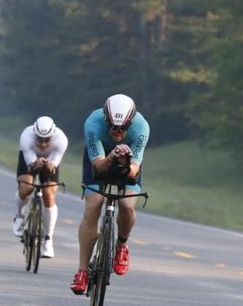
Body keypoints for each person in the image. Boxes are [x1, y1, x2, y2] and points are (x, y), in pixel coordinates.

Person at [70, 93, 149, 294]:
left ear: (131, 122)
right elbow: (99, 166)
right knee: (93, 206)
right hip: (99, 161)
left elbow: (133, 170)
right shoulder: (93, 123)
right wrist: (112, 156)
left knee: (127, 206)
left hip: (128, 162)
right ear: (105, 119)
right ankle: (82, 271)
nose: (117, 132)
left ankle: (121, 245)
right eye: (113, 126)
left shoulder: (141, 127)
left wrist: (125, 161)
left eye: (123, 128)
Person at [13, 116, 68, 258]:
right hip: (30, 157)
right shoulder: (26, 136)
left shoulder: (61, 139)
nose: (43, 144)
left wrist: (51, 164)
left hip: (51, 159)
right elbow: (30, 161)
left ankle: (48, 240)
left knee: (49, 195)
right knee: (26, 188)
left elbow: (55, 161)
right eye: (39, 139)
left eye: (47, 140)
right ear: (34, 134)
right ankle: (19, 216)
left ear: (53, 135)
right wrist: (35, 162)